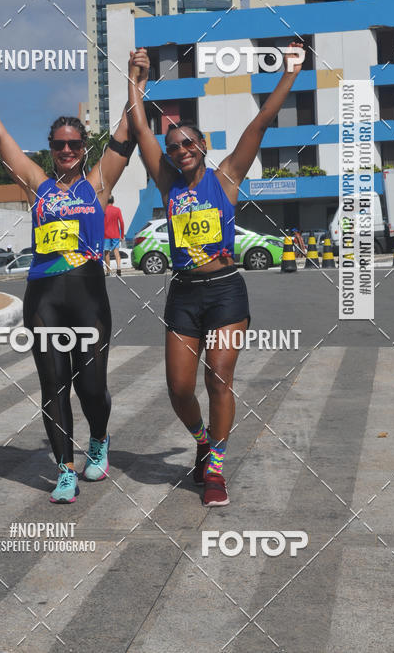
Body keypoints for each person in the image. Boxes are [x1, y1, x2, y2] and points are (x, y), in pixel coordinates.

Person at [128, 44, 303, 506]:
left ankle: (216, 470)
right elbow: (141, 129)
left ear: (202, 145)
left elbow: (260, 121)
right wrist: (136, 81)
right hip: (183, 294)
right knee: (180, 387)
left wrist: (291, 71)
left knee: (219, 378)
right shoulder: (167, 183)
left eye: (188, 143)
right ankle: (202, 440)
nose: (181, 150)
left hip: (226, 291)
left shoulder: (225, 178)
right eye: (174, 147)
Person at [0, 63, 141, 503]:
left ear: (82, 147)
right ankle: (65, 470)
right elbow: (3, 140)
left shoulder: (98, 184)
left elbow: (125, 134)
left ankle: (99, 438)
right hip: (43, 297)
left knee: (91, 386)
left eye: (74, 144)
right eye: (59, 144)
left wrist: (137, 78)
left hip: (89, 297)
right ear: (51, 148)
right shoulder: (36, 185)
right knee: (54, 385)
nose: (66, 150)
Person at [104, 197, 124, 277]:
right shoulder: (117, 210)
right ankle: (118, 267)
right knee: (116, 252)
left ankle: (108, 271)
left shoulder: (104, 210)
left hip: (105, 234)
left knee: (106, 253)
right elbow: (121, 222)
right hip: (115, 234)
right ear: (114, 201)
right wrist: (121, 235)